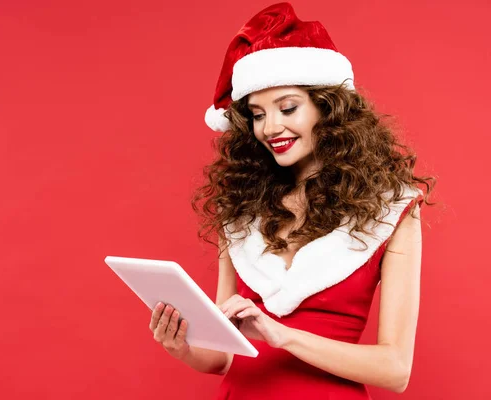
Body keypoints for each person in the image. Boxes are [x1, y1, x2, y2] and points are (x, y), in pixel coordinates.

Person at [149, 2, 435, 399]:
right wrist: (182, 346)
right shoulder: (242, 210)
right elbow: (222, 356)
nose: (271, 128)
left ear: (328, 107)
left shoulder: (391, 209)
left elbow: (395, 370)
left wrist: (283, 337)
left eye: (287, 107)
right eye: (257, 114)